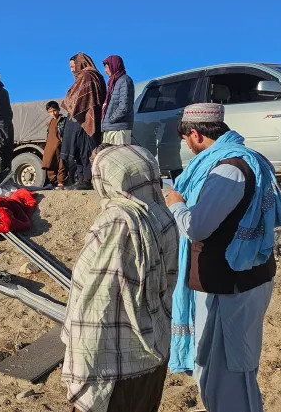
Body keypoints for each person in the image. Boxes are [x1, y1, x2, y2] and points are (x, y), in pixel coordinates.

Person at [165, 103, 281, 412]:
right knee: (216, 367)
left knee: (232, 372)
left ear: (195, 134)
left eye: (185, 139)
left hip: (232, 284)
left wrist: (176, 204)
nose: (186, 146)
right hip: (242, 277)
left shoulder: (227, 169)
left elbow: (197, 227)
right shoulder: (247, 159)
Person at [62, 143, 179, 412]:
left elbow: (96, 302)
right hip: (155, 349)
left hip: (114, 364)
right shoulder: (165, 216)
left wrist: (82, 366)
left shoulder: (117, 222)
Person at [61, 53, 107, 190]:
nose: (71, 69)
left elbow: (78, 98)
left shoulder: (88, 76)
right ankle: (81, 179)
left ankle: (87, 180)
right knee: (80, 149)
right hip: (82, 120)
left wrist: (70, 103)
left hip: (86, 119)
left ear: (80, 63)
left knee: (87, 150)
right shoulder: (90, 76)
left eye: (72, 66)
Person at [101, 55, 135, 145]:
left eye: (107, 67)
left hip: (118, 129)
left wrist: (111, 119)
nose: (105, 70)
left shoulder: (125, 80)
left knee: (120, 157)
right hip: (111, 128)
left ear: (114, 65)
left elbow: (124, 106)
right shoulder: (113, 83)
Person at [41, 101, 68, 189]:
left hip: (60, 145)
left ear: (59, 110)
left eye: (54, 110)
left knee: (61, 163)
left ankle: (61, 182)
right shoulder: (50, 122)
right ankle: (53, 182)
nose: (52, 113)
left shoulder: (63, 120)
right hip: (50, 145)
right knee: (49, 163)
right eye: (50, 111)